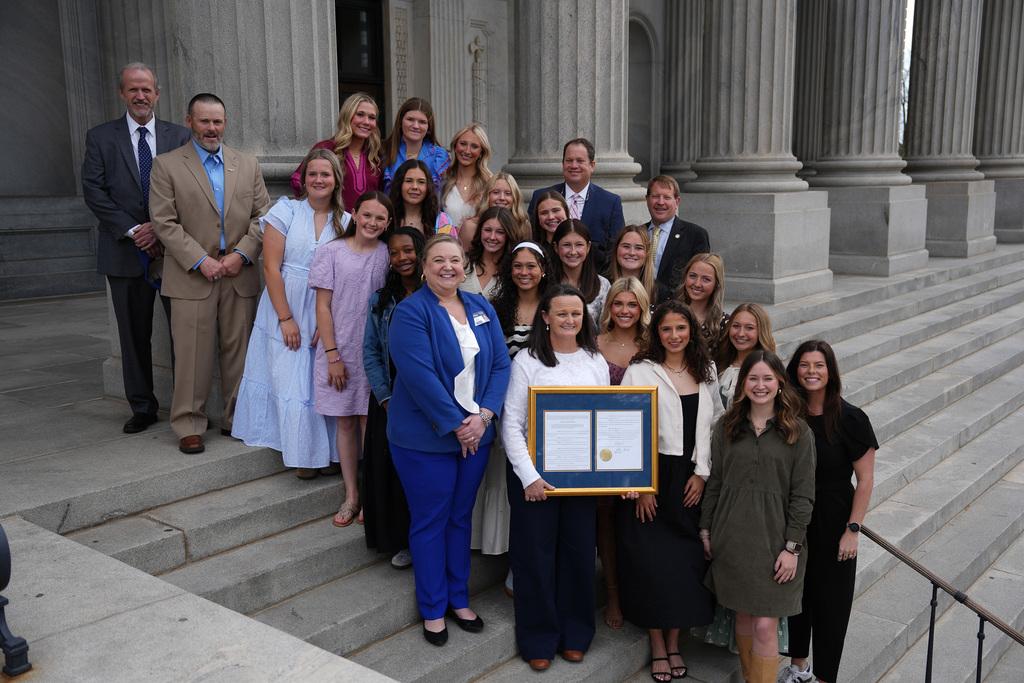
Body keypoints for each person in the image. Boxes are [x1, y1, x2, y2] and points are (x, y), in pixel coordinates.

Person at [386, 234, 511, 646]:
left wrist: (485, 416)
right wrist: (460, 424)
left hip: (477, 435)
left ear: (465, 266)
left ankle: (459, 598)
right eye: (438, 260)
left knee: (460, 519)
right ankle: (433, 607)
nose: (447, 267)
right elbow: (419, 376)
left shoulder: (480, 306)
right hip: (425, 440)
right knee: (430, 521)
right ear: (423, 267)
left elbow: (500, 365)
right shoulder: (410, 312)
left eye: (455, 260)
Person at [150, 93, 271, 454]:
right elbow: (164, 222)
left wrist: (241, 255)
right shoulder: (167, 165)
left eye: (217, 121)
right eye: (204, 121)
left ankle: (236, 418)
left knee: (240, 351)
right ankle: (188, 423)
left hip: (239, 272)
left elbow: (263, 217)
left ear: (225, 123)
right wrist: (200, 260)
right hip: (192, 275)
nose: (211, 128)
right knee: (192, 354)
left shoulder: (247, 165)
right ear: (189, 122)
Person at [501, 284, 611, 671]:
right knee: (534, 558)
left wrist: (616, 474)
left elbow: (605, 421)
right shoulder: (528, 361)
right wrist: (529, 476)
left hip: (581, 478)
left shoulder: (595, 360)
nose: (569, 320)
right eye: (561, 313)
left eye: (576, 314)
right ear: (545, 318)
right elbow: (511, 426)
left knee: (579, 556)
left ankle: (576, 634)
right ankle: (538, 639)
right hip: (534, 479)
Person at [82, 62, 191, 434]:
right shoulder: (100, 137)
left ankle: (185, 405)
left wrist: (161, 230)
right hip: (125, 251)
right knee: (132, 334)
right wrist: (135, 230)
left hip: (175, 252)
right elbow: (94, 192)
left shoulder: (179, 136)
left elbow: (191, 190)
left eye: (147, 89)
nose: (140, 96)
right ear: (122, 94)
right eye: (133, 90)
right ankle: (143, 407)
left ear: (157, 94)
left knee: (184, 331)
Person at [619, 300, 725, 681]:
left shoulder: (705, 368)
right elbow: (629, 426)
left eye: (681, 328)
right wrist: (642, 484)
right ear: (656, 333)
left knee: (687, 561)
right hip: (653, 475)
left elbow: (714, 424)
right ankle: (657, 644)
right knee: (650, 560)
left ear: (691, 331)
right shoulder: (640, 370)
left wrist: (702, 473)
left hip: (691, 475)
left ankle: (675, 640)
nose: (675, 335)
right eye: (667, 329)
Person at [699, 350, 816, 683]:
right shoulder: (727, 427)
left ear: (780, 383)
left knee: (765, 624)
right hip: (732, 538)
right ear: (743, 383)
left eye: (768, 378)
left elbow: (804, 495)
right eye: (753, 378)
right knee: (743, 618)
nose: (760, 385)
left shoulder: (799, 432)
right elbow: (716, 481)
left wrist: (792, 548)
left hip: (777, 542)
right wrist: (706, 531)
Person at [232, 149, 350, 478]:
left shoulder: (347, 222)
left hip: (323, 309)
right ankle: (302, 457)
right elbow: (270, 267)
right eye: (312, 173)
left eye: (325, 174)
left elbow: (346, 276)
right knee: (292, 380)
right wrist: (285, 319)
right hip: (284, 304)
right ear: (304, 178)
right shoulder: (285, 209)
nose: (318, 180)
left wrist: (329, 325)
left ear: (336, 180)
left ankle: (326, 454)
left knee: (318, 384)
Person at [782, 340, 877, 683]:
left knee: (832, 603)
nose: (811, 372)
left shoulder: (851, 418)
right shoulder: (788, 415)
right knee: (797, 593)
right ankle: (798, 668)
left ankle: (824, 678)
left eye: (818, 365)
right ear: (795, 371)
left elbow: (865, 479)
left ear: (830, 371)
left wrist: (853, 529)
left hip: (835, 515)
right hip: (794, 515)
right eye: (804, 365)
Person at [309, 190, 392, 527]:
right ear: (354, 215)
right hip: (339, 350)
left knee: (370, 425)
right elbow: (323, 307)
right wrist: (332, 355)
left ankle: (372, 496)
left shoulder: (387, 255)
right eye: (367, 215)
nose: (372, 222)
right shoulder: (330, 252)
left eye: (380, 218)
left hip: (373, 353)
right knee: (345, 421)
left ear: (387, 224)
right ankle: (351, 495)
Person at [362, 227, 427, 569]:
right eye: (394, 253)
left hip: (429, 400)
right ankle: (400, 541)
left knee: (422, 476)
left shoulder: (438, 296)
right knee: (391, 473)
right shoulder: (380, 301)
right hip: (390, 399)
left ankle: (424, 541)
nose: (402, 258)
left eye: (408, 250)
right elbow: (371, 352)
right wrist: (385, 398)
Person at [595, 277, 650, 632]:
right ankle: (612, 594)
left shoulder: (653, 345)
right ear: (609, 306)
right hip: (600, 447)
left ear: (643, 308)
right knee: (606, 523)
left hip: (641, 448)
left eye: (633, 305)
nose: (625, 311)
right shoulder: (593, 344)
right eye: (619, 303)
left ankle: (641, 594)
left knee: (637, 526)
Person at [526, 138, 625, 250]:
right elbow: (532, 241)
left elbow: (615, 248)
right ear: (563, 164)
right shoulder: (540, 197)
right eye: (569, 160)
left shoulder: (610, 202)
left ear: (592, 166)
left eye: (580, 161)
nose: (574, 165)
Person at [289, 92, 382, 210]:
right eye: (360, 114)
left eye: (372, 117)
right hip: (333, 224)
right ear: (347, 116)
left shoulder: (376, 157)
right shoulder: (326, 149)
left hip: (366, 226)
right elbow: (298, 182)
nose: (366, 122)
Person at [645, 175, 710, 295]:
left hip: (676, 308)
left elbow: (702, 279)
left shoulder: (695, 235)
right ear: (647, 199)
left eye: (667, 197)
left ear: (677, 202)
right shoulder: (638, 233)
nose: (660, 202)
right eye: (655, 196)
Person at [381, 97, 450, 195]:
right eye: (410, 119)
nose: (416, 126)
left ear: (429, 127)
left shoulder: (439, 157)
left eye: (422, 122)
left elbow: (442, 198)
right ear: (400, 122)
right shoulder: (384, 151)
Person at [716, 303, 776, 409]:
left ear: (761, 331)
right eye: (736, 326)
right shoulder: (719, 362)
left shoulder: (770, 368)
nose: (741, 333)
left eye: (749, 328)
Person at [551, 219, 610, 323]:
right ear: (556, 247)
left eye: (579, 245)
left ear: (588, 247)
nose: (573, 252)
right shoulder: (546, 283)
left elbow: (605, 330)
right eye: (566, 245)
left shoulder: (602, 285)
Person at [459, 172, 531, 251]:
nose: (502, 198)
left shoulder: (523, 225)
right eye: (496, 192)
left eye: (508, 193)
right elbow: (464, 260)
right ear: (487, 196)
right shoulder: (470, 226)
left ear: (515, 198)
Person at [441, 123, 492, 229]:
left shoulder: (490, 183)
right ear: (455, 147)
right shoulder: (443, 181)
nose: (467, 151)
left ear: (481, 153)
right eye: (463, 144)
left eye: (474, 146)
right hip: (448, 244)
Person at [388, 159, 454, 237]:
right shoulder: (387, 219)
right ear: (399, 184)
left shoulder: (442, 221)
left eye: (421, 182)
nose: (415, 187)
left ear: (428, 187)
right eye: (409, 181)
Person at [460, 206, 514, 299]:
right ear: (480, 231)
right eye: (487, 230)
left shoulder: (513, 269)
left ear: (508, 235)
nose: (492, 237)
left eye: (500, 232)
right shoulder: (463, 263)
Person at [677, 253, 726, 353]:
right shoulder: (667, 313)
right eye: (693, 276)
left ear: (716, 284)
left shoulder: (723, 324)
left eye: (706, 279)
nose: (697, 284)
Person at [605, 225, 658, 306]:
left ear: (647, 253)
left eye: (639, 248)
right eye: (626, 246)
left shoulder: (659, 292)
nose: (631, 253)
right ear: (616, 249)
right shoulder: (602, 287)